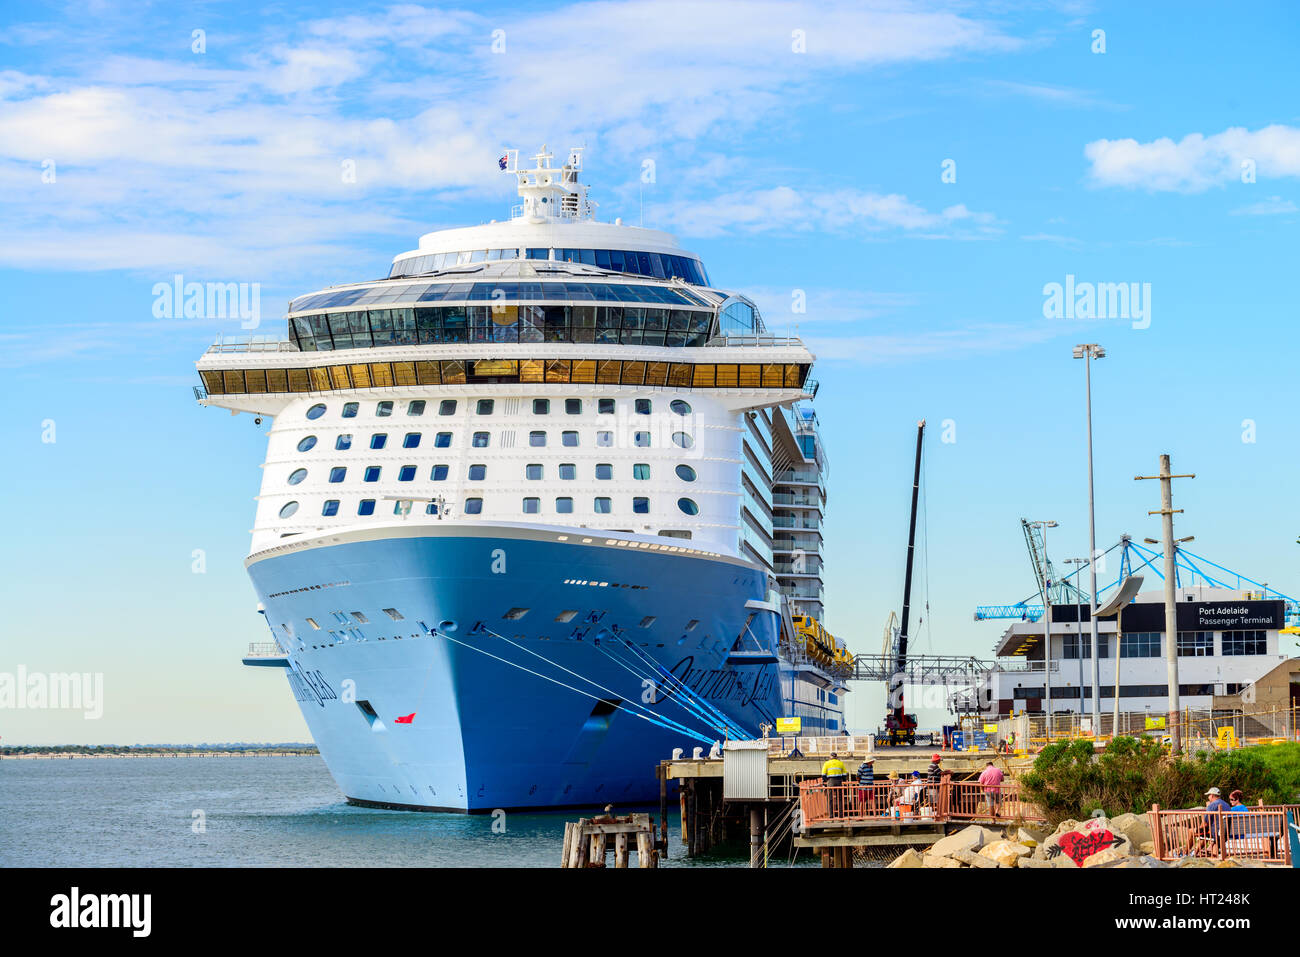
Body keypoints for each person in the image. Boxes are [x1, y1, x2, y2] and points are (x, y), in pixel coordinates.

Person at [821, 752, 847, 816]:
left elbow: (823, 774)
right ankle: (840, 815)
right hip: (839, 781)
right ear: (836, 757)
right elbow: (844, 774)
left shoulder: (826, 763)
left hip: (830, 781)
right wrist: (843, 780)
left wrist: (826, 780)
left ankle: (831, 815)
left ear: (830, 757)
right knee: (840, 798)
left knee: (830, 799)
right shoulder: (840, 763)